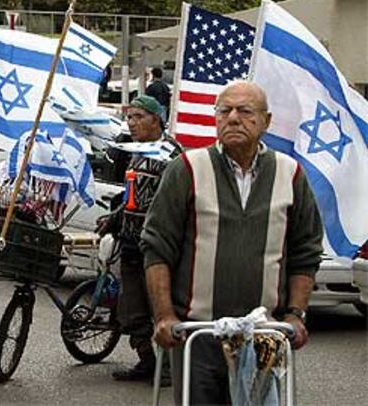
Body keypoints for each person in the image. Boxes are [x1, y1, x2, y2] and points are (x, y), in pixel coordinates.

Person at [140, 81, 324, 404]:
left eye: (245, 111)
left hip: (265, 334)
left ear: (266, 121)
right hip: (198, 333)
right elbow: (157, 247)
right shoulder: (186, 169)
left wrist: (296, 313)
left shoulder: (290, 173)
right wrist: (165, 315)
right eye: (224, 111)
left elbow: (305, 250)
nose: (234, 118)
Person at [98, 95, 182, 383]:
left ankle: (170, 368)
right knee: (131, 310)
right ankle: (146, 361)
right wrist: (115, 218)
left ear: (156, 119)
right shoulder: (134, 151)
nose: (131, 123)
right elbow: (131, 196)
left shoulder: (172, 156)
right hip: (131, 243)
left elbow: (177, 204)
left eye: (138, 117)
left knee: (161, 308)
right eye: (129, 117)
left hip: (159, 249)